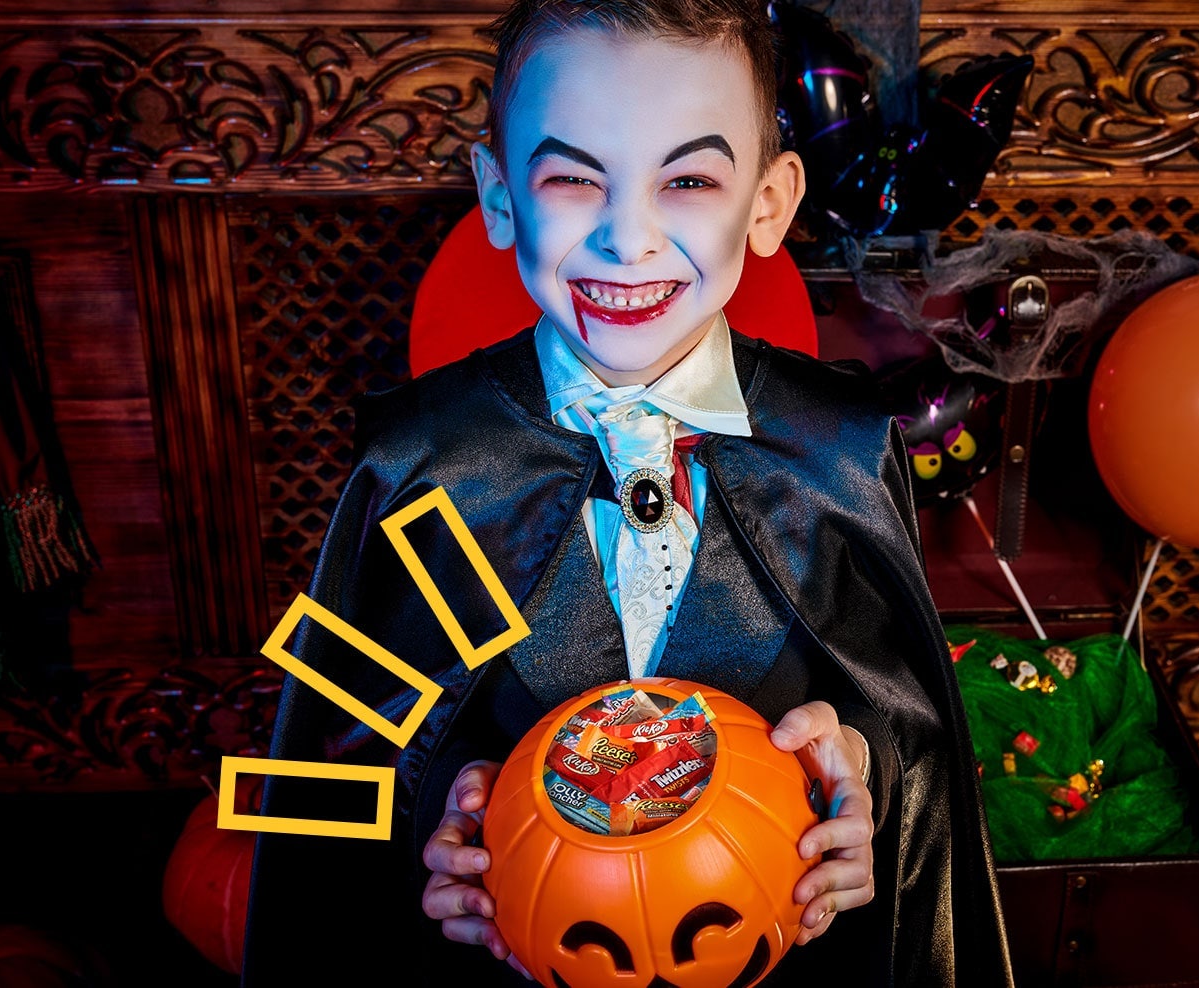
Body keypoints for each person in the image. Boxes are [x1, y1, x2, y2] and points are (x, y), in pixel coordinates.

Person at [241, 1, 1011, 985]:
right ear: (501, 196)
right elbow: (314, 782)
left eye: (687, 179)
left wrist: (858, 771)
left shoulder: (844, 454)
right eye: (572, 177)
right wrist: (436, 824)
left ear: (768, 203)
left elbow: (918, 758)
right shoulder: (421, 464)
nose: (627, 239)